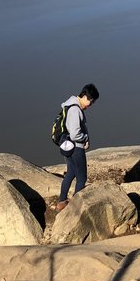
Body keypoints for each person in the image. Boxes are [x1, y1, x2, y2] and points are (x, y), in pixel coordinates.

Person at [56, 83, 99, 212]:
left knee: (70, 173)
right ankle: (75, 208)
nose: (90, 104)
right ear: (84, 96)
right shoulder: (75, 109)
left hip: (68, 146)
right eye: (90, 101)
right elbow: (75, 134)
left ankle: (61, 202)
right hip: (75, 148)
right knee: (82, 178)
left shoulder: (70, 106)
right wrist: (85, 138)